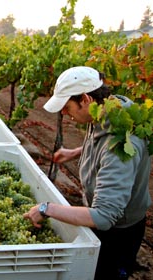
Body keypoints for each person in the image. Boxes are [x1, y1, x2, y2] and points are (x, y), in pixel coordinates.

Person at [23, 66, 151, 280]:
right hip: (108, 218)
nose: (64, 113)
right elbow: (103, 146)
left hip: (118, 233)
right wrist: (76, 151)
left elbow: (103, 217)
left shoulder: (119, 145)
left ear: (85, 99)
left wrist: (47, 208)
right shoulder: (108, 112)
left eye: (66, 106)